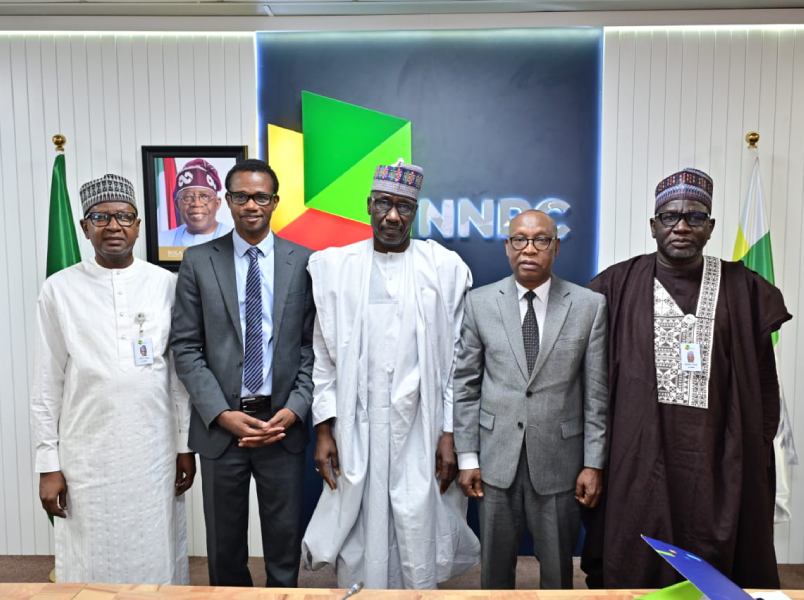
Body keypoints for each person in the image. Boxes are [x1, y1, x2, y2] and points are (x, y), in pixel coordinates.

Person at [581, 168, 792, 589]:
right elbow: (590, 383)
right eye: (670, 216)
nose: (681, 226)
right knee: (638, 552)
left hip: (720, 456)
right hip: (639, 454)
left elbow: (766, 386)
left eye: (694, 217)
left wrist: (755, 451)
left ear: (710, 227)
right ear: (653, 225)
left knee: (719, 566)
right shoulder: (615, 285)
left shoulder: (745, 288)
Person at [301, 159, 480, 589]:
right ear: (368, 205)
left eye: (404, 207)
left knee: (417, 521)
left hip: (421, 422)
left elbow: (458, 364)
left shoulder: (444, 268)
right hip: (355, 422)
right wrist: (324, 429)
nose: (393, 216)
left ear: (415, 212)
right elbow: (323, 357)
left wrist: (449, 433)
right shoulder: (334, 268)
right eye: (384, 203)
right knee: (362, 531)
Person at [31, 173, 194, 584]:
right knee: (90, 553)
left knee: (155, 549)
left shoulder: (166, 285)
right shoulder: (59, 290)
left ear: (138, 225)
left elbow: (177, 377)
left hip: (153, 449)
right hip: (86, 452)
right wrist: (48, 464)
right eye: (100, 217)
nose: (114, 226)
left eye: (124, 216)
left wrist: (183, 444)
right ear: (85, 228)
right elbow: (46, 384)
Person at [171, 158, 314, 587]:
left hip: (281, 426)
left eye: (261, 196)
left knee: (284, 547)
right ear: (227, 201)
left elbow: (314, 349)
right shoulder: (197, 261)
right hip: (222, 430)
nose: (251, 205)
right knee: (224, 549)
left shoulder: (305, 262)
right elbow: (186, 347)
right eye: (241, 196)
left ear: (275, 202)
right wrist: (221, 413)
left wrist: (293, 410)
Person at [453, 209, 608, 590]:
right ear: (508, 247)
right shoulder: (480, 303)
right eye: (519, 239)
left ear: (555, 247)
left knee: (557, 574)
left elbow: (596, 395)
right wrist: (468, 457)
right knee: (494, 573)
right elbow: (465, 385)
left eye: (541, 240)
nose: (529, 249)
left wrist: (593, 463)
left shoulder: (589, 306)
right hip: (495, 460)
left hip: (560, 461)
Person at [159, 158, 231, 247]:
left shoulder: (234, 239)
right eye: (188, 197)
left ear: (217, 204)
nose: (196, 204)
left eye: (205, 196)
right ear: (177, 205)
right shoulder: (161, 241)